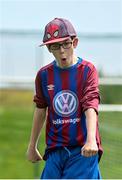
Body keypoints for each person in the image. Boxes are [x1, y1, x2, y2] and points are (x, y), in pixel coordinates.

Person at [27, 17, 103, 179]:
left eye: (66, 44)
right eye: (55, 46)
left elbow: (91, 105)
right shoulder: (43, 75)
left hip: (82, 150)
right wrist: (32, 145)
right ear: (49, 48)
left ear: (74, 43)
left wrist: (91, 140)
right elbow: (40, 110)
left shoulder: (87, 70)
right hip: (55, 150)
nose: (62, 50)